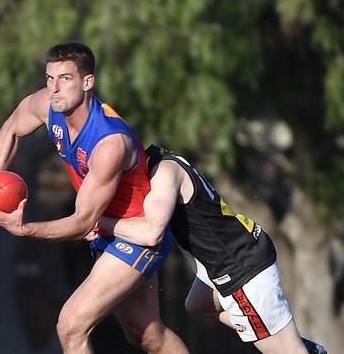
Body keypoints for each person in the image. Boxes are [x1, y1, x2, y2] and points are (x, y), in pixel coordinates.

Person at [0, 43, 188, 354]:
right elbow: (10, 130)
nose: (54, 89)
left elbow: (81, 222)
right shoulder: (49, 105)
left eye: (65, 79)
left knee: (71, 326)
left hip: (135, 233)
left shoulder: (109, 142)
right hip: (103, 229)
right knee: (146, 334)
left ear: (88, 82)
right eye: (49, 78)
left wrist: (25, 229)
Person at [93, 144, 327, 354]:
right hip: (240, 253)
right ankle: (291, 341)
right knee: (197, 304)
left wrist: (97, 221)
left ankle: (288, 343)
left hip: (239, 271)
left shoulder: (163, 174)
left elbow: (150, 232)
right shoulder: (163, 161)